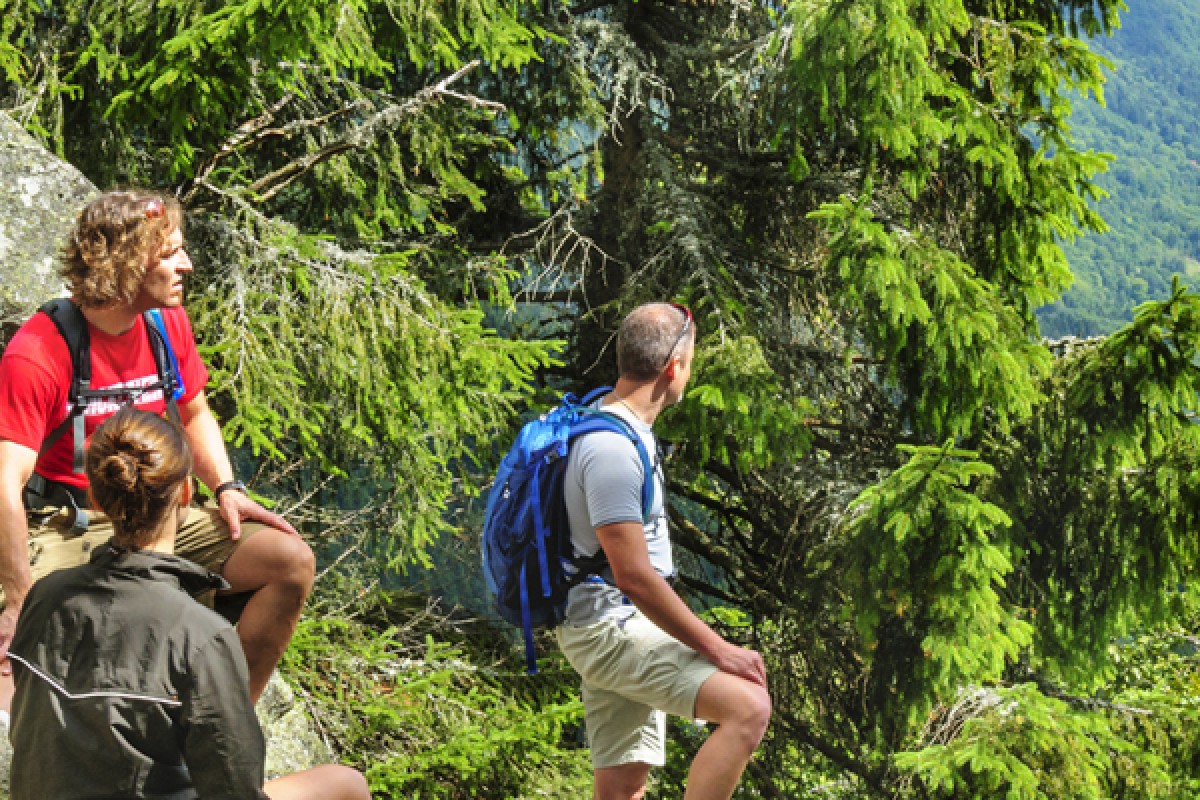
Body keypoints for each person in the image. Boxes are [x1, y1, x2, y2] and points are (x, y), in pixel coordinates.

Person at [0, 190, 315, 710]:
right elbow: (5, 488)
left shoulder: (166, 326)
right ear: (125, 263)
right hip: (66, 525)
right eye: (169, 253)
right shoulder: (40, 352)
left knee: (288, 561)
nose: (186, 265)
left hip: (161, 519)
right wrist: (18, 601)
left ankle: (222, 727)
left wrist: (228, 488)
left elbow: (194, 413)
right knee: (23, 665)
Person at [7, 408, 370, 800]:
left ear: (95, 497)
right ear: (185, 492)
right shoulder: (201, 636)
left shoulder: (43, 596)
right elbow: (233, 789)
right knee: (346, 784)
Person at [556, 302, 772, 800]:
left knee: (623, 785)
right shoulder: (611, 450)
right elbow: (632, 575)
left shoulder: (620, 428)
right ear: (674, 367)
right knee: (748, 708)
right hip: (610, 629)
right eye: (691, 363)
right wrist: (717, 648)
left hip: (608, 623)